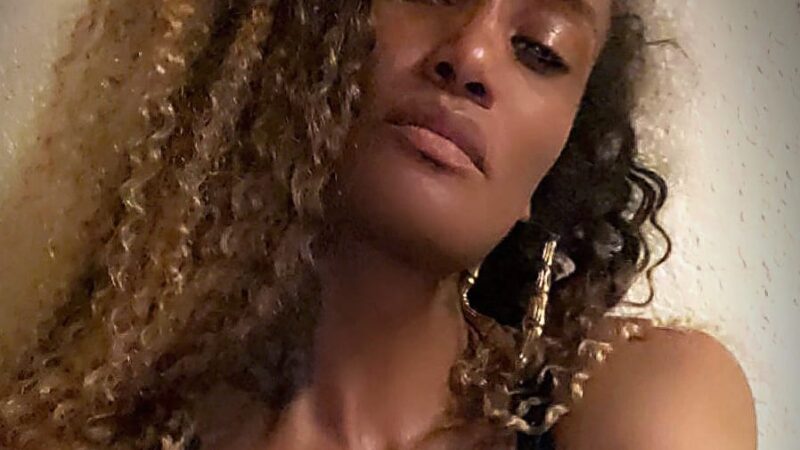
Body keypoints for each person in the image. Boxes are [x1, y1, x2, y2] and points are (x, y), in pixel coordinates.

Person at [0, 0, 756, 449]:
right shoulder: (64, 428)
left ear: (561, 166)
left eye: (540, 50)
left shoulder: (643, 400)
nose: (472, 54)